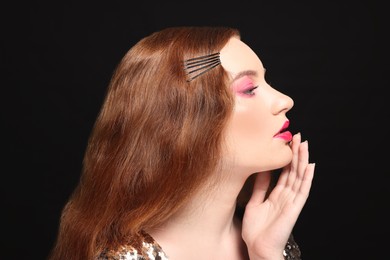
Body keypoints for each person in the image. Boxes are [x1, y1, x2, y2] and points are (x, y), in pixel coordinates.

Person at [49, 26, 315, 260]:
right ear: (185, 123)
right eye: (249, 89)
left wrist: (267, 254)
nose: (284, 100)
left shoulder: (268, 240)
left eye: (265, 81)